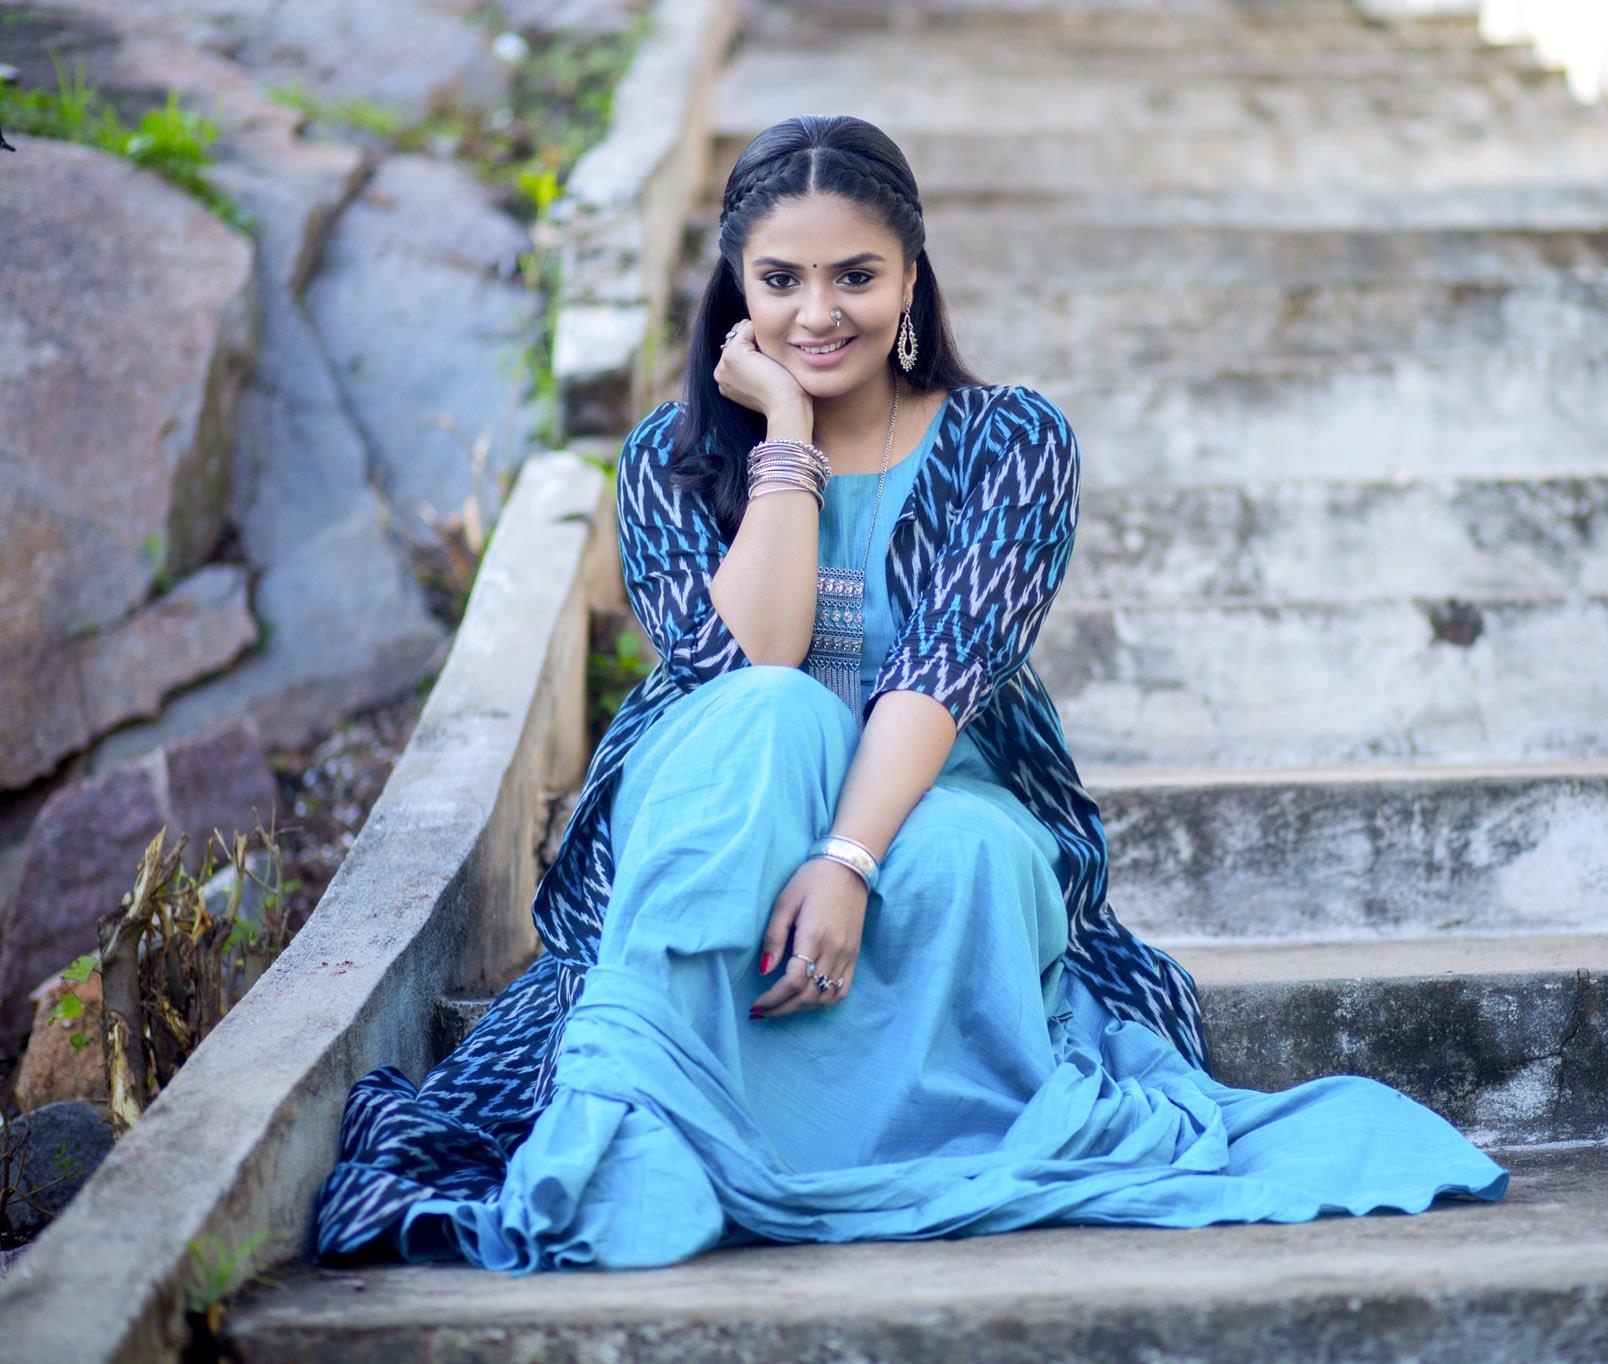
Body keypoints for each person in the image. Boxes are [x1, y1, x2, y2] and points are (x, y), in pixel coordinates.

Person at [310, 115, 1508, 1273]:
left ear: (911, 279)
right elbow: (743, 666)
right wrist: (785, 433)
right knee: (780, 710)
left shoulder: (1008, 440)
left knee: (964, 854)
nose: (816, 312)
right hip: (725, 788)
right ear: (734, 287)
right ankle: (645, 1120)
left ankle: (843, 1142)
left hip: (935, 788)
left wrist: (846, 857)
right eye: (779, 279)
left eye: (855, 276)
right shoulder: (671, 458)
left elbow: (945, 665)